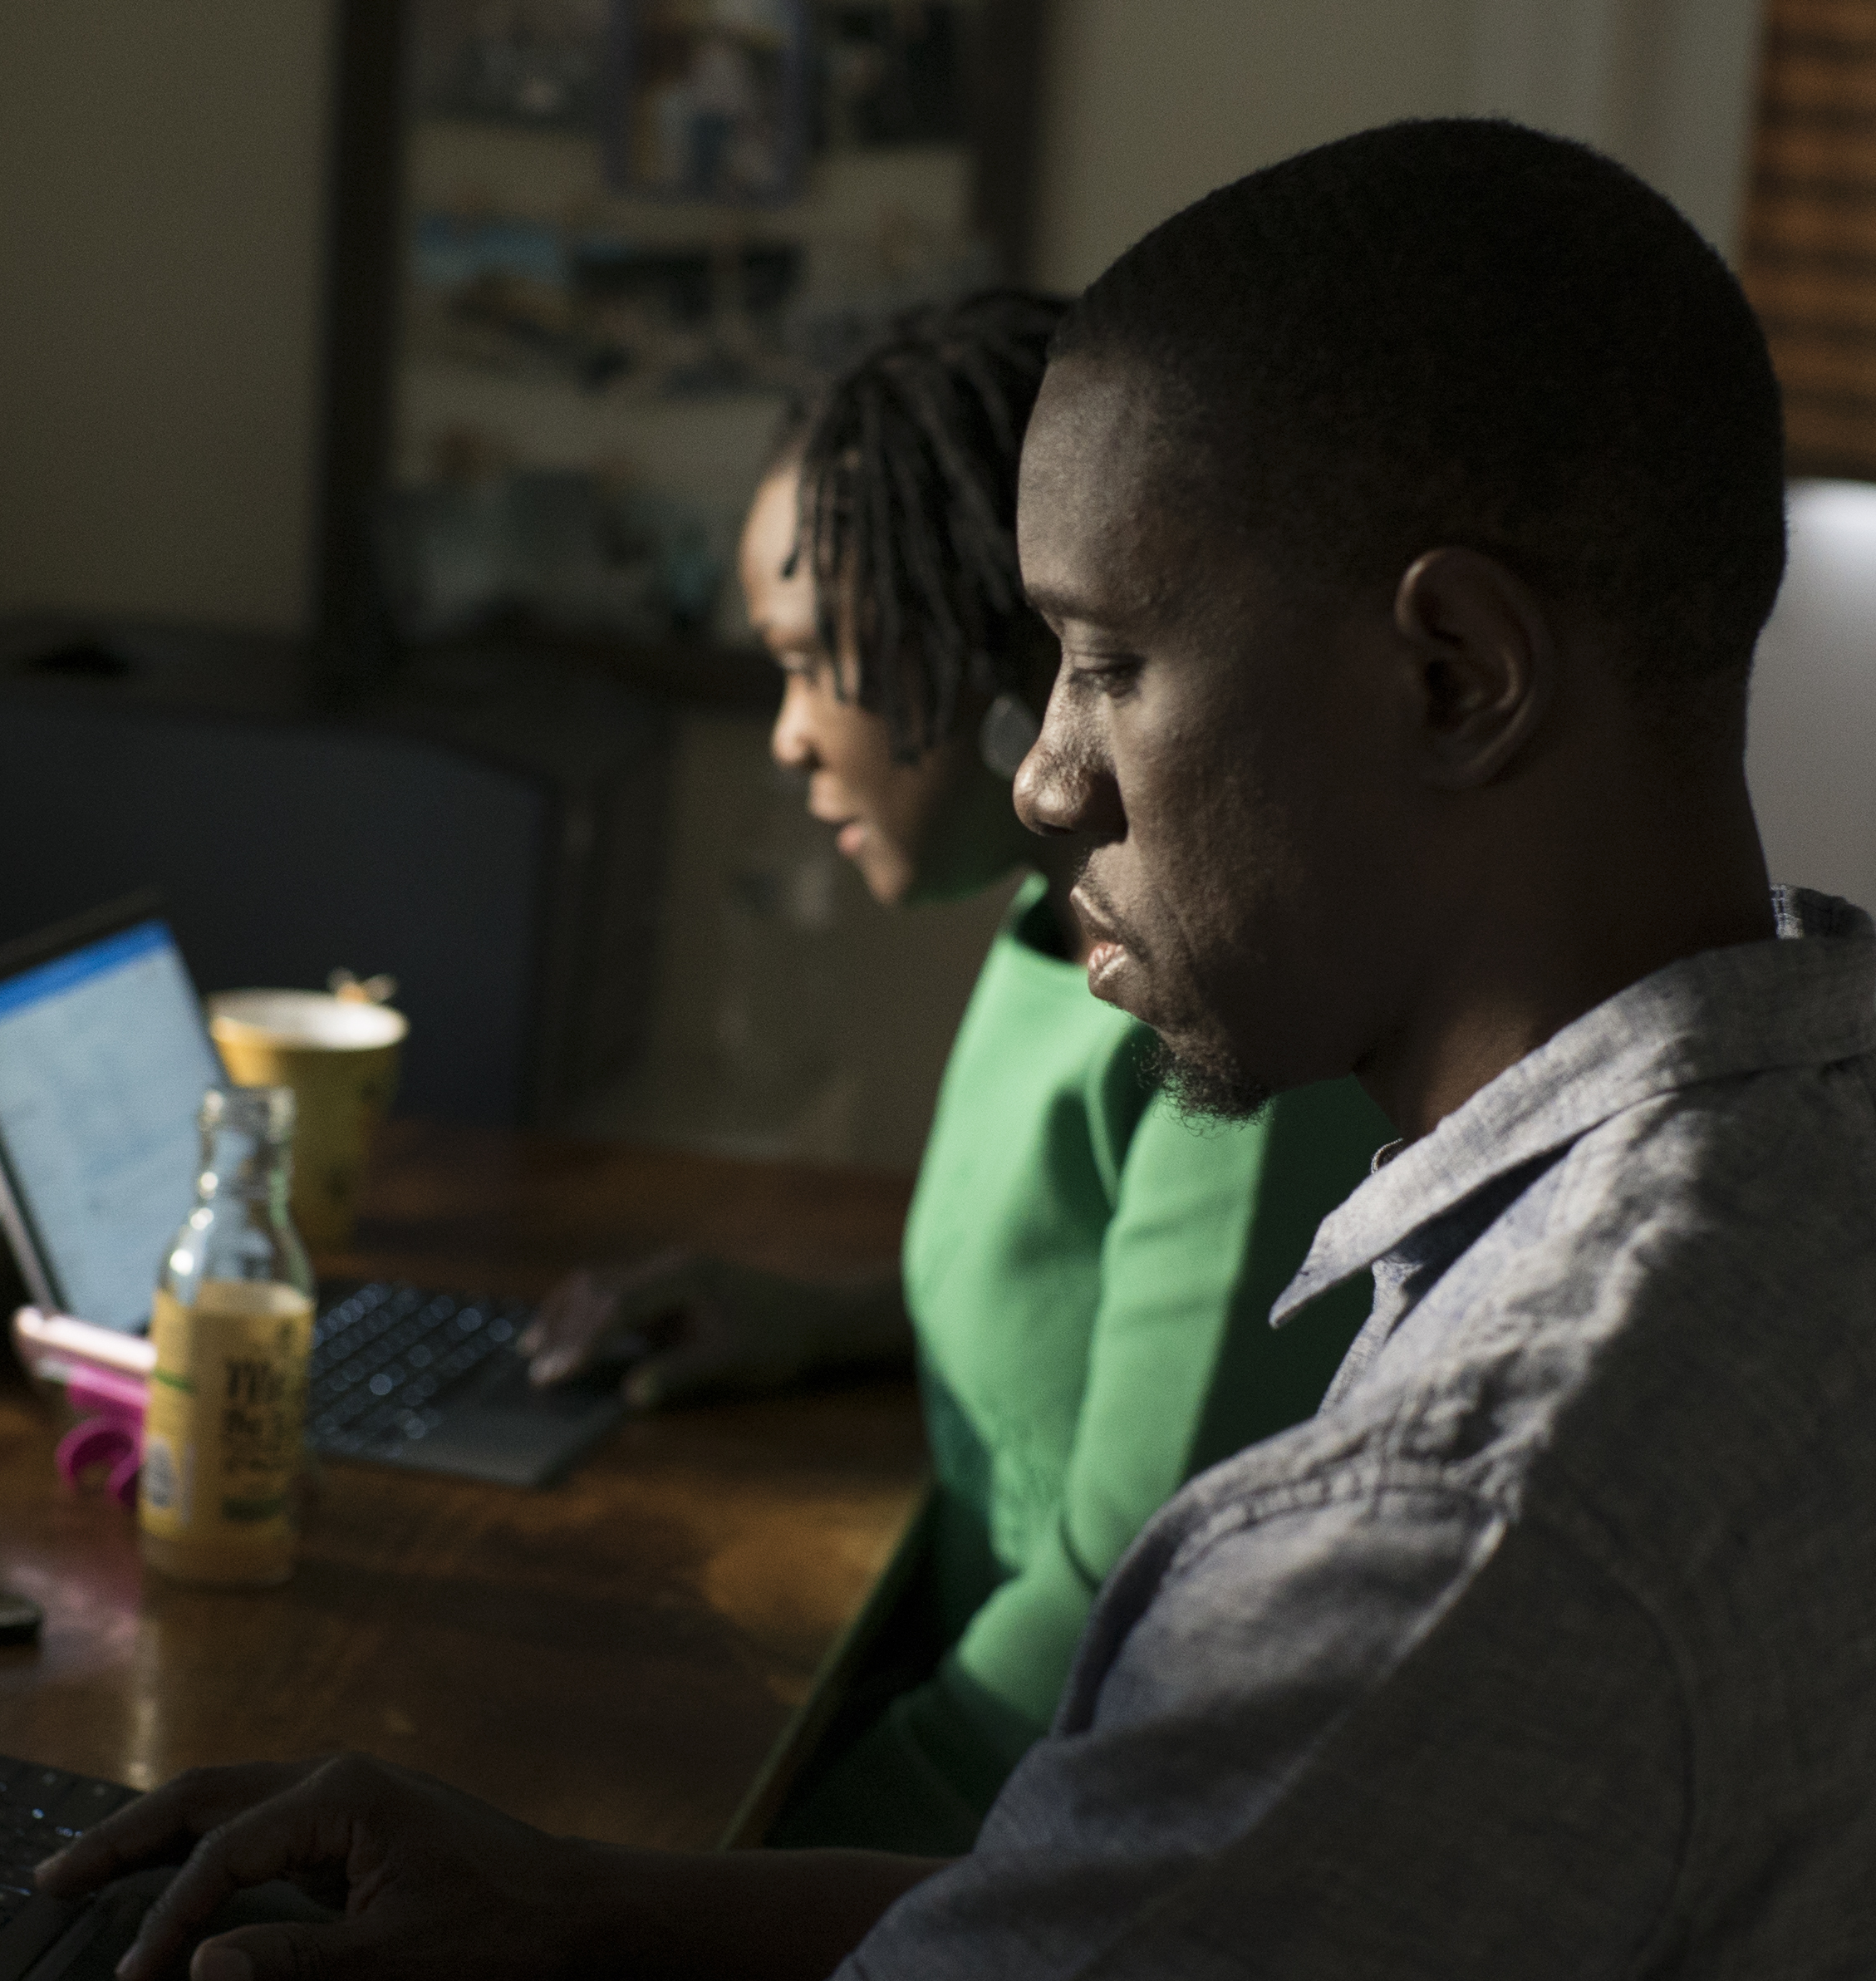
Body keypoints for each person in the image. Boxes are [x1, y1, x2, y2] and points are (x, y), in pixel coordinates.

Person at [0, 118, 1876, 1979]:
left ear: (1453, 675)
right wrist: (557, 1902)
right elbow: (1128, 1912)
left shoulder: (1460, 1522)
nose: (1038, 771)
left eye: (1111, 665)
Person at [518, 288, 1391, 1852]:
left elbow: (1119, 1624)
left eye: (808, 664)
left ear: (984, 632)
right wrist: (818, 1323)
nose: (786, 737)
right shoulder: (1040, 935)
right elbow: (1078, 1323)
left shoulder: (1222, 1041)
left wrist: (729, 1867)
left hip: (1028, 1836)